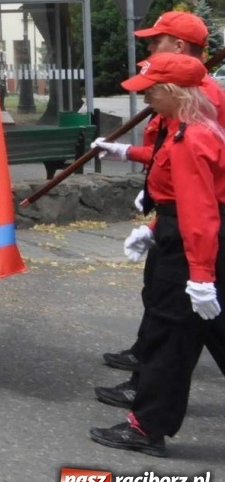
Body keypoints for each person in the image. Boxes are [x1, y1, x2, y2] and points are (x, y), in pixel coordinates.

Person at [90, 53, 225, 457]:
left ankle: (147, 426)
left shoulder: (191, 138)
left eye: (150, 92)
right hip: (187, 236)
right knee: (209, 331)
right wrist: (153, 229)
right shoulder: (198, 129)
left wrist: (199, 275)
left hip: (190, 246)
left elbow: (199, 210)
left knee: (170, 335)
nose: (146, 99)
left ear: (171, 91)